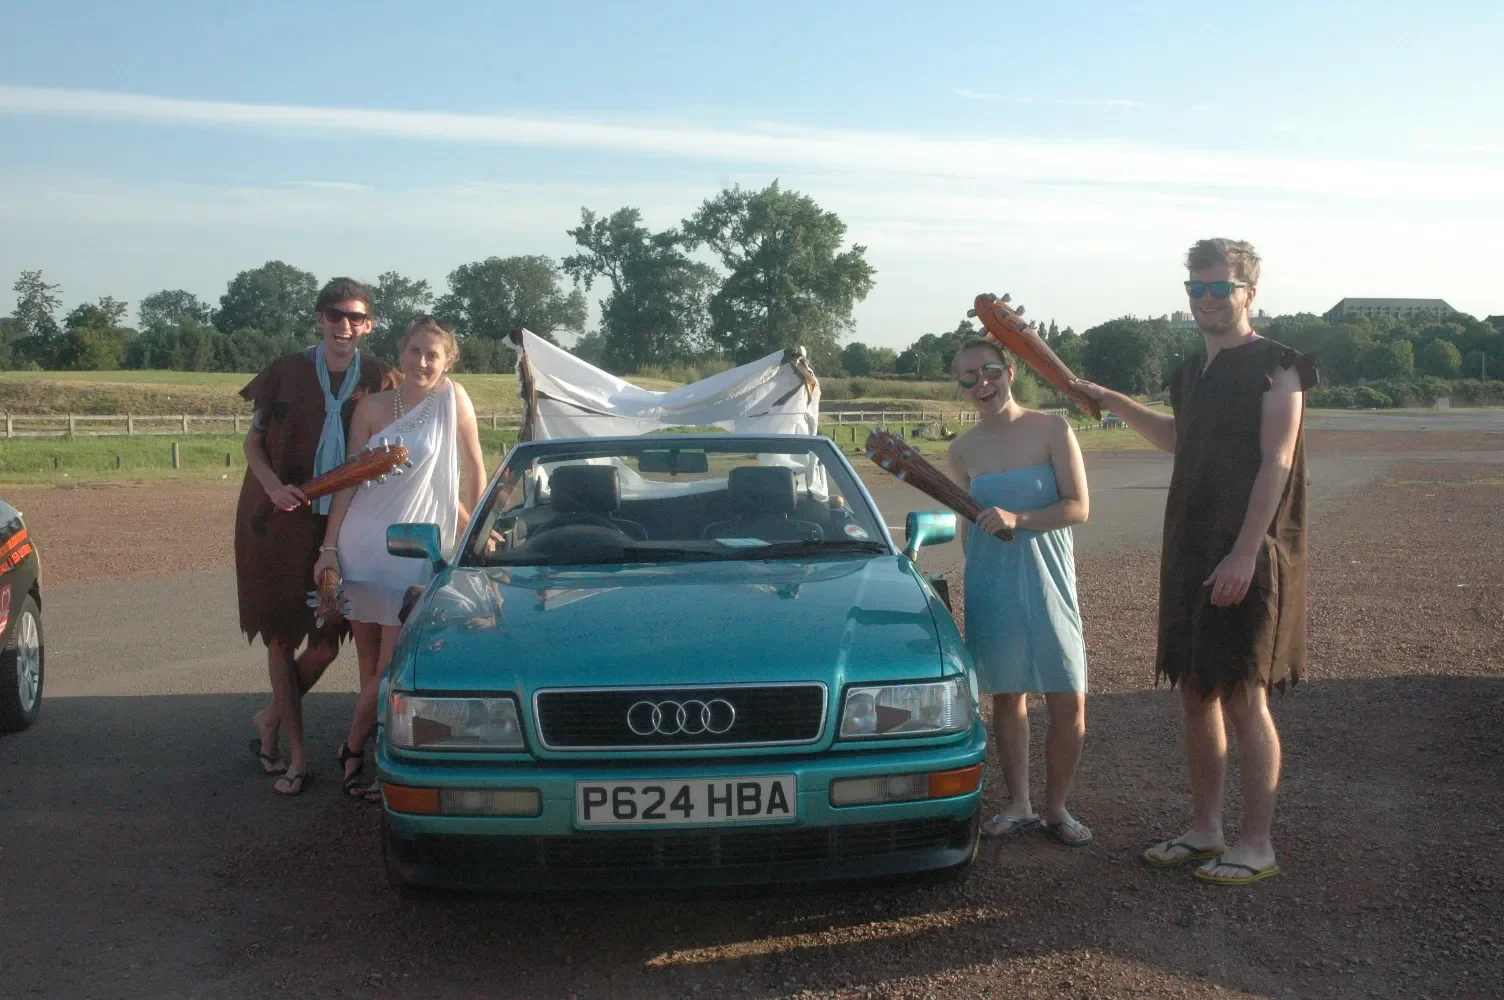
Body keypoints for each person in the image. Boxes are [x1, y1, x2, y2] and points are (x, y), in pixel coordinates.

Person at [1072, 238, 1317, 886]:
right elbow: (1180, 440)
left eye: (1219, 288)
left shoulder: (1280, 366)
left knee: (1243, 698)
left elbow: (1278, 461)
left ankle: (1256, 842)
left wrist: (1243, 553)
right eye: (1197, 289)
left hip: (1251, 552)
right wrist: (1114, 400)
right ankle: (1206, 830)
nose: (1206, 299)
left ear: (1249, 292)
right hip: (1190, 549)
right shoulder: (1190, 373)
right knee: (1196, 693)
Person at [237, 278, 400, 795]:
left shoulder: (379, 378)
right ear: (319, 319)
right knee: (282, 634)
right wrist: (270, 485)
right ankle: (298, 757)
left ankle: (270, 719)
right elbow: (254, 439)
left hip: (342, 523)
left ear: (369, 324)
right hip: (277, 518)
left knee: (329, 640)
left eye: (355, 317)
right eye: (335, 315)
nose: (344, 326)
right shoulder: (285, 372)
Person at [314, 316, 486, 800]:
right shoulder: (369, 408)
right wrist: (329, 550)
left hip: (413, 549)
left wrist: (475, 526)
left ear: (448, 360)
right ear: (402, 352)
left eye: (433, 354)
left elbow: (473, 465)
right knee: (370, 667)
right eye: (414, 352)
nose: (422, 362)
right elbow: (349, 482)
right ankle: (374, 760)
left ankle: (351, 749)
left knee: (392, 667)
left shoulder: (454, 401)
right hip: (361, 545)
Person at [947, 339, 1093, 847]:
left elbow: (1078, 507)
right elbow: (968, 524)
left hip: (1050, 577)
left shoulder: (1052, 428)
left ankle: (1057, 808)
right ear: (960, 386)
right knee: (1008, 699)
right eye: (968, 377)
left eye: (988, 370)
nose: (981, 383)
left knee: (1069, 699)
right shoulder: (962, 450)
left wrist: (1020, 519)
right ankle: (1020, 805)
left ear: (1009, 370)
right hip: (993, 581)